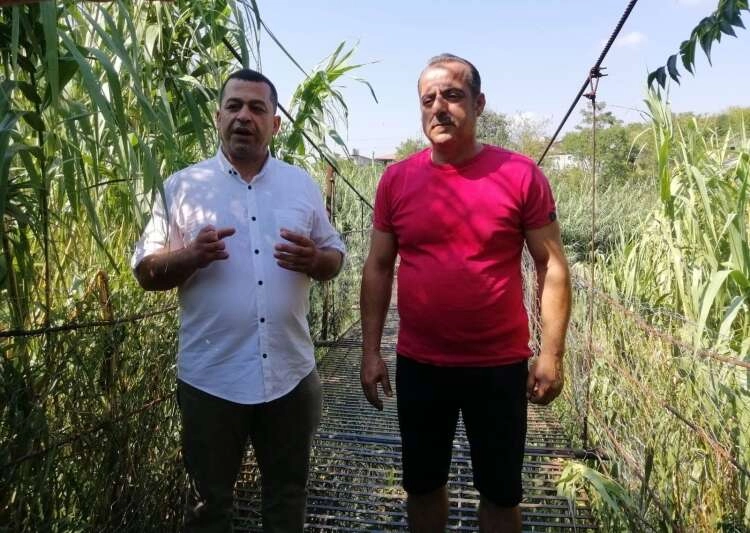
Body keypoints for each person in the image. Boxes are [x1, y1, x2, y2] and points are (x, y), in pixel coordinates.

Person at [359, 54, 571, 533]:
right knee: (422, 486)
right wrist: (370, 352)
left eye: (452, 95)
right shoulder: (396, 180)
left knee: (500, 492)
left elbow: (552, 265)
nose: (438, 108)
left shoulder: (521, 175)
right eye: (428, 100)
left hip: (498, 365)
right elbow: (377, 266)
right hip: (420, 364)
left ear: (479, 104)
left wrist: (551, 355)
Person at [132, 68, 345, 533]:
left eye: (256, 108)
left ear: (275, 123)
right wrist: (190, 256)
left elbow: (334, 257)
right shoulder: (182, 186)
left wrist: (315, 259)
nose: (244, 116)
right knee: (208, 507)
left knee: (287, 498)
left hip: (290, 375)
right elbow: (146, 272)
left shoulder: (301, 185)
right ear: (217, 117)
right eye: (234, 106)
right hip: (212, 379)